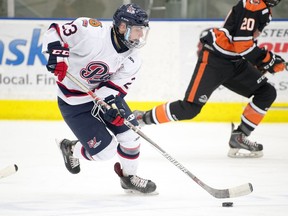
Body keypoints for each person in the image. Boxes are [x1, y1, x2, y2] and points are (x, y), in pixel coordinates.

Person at [133, 0, 286, 158]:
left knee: (266, 92)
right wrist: (268, 60)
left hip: (235, 61)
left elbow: (241, 43)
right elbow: (242, 44)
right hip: (215, 60)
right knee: (190, 108)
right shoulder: (254, 5)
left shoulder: (262, 8)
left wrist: (267, 61)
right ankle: (141, 117)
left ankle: (239, 136)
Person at [42, 3, 156, 194]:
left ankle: (129, 178)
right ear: (122, 27)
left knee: (130, 135)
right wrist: (58, 57)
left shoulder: (134, 58)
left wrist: (111, 107)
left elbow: (115, 88)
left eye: (142, 30)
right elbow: (55, 32)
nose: (141, 36)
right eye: (137, 30)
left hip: (102, 96)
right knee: (105, 153)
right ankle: (71, 148)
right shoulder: (90, 32)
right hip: (74, 101)